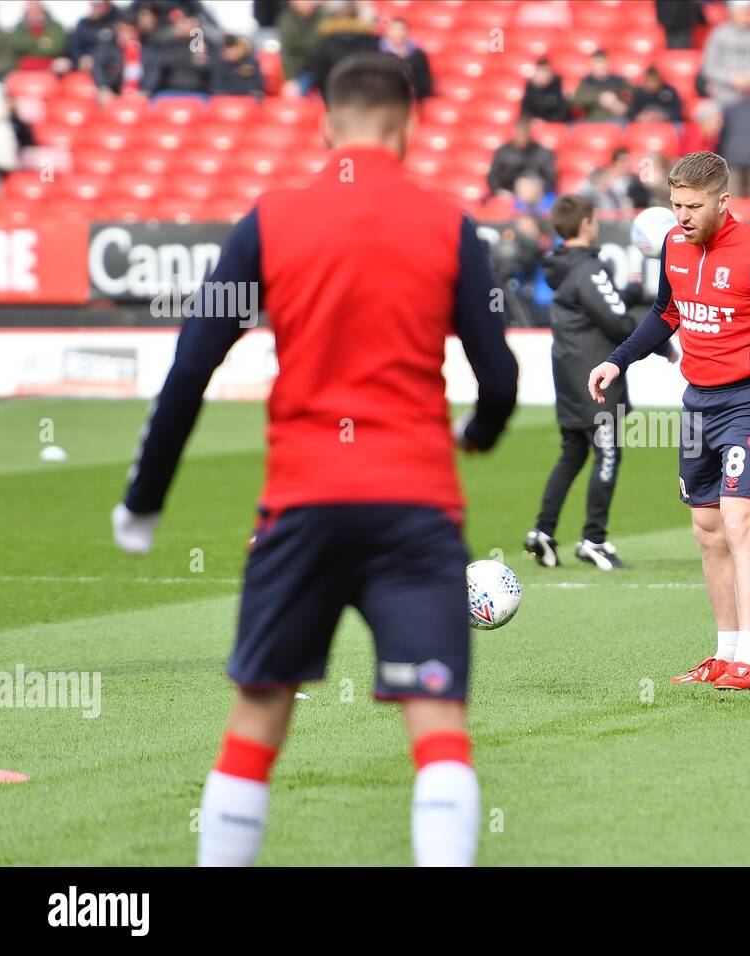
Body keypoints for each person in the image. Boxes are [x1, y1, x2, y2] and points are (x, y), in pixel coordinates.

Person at [109, 53, 519, 867]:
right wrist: (479, 432)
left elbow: (192, 368)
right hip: (415, 505)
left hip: (302, 501)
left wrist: (145, 500)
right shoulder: (450, 225)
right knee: (436, 724)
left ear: (325, 124)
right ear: (408, 124)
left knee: (258, 718)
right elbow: (499, 372)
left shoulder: (269, 220)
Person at [587, 151, 750, 691]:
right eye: (675, 206)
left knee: (740, 523)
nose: (683, 217)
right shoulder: (674, 245)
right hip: (697, 404)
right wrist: (617, 359)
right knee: (707, 530)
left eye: (694, 206)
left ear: (723, 200)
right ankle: (722, 654)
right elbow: (666, 313)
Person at [526, 195, 679, 569]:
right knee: (607, 453)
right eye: (593, 221)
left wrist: (628, 292)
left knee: (572, 454)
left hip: (567, 375)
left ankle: (542, 532)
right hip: (595, 379)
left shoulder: (563, 267)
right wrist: (661, 344)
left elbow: (594, 305)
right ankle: (593, 539)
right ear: (585, 225)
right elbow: (617, 322)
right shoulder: (590, 269)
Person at [699, 0, 750, 107]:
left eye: (746, 10)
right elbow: (708, 67)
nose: (744, 14)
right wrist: (729, 77)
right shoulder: (718, 34)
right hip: (724, 95)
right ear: (731, 12)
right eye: (740, 10)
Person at [487, 119, 556, 195]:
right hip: (508, 195)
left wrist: (536, 189)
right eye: (519, 134)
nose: (522, 138)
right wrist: (499, 191)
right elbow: (493, 177)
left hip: (536, 196)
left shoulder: (543, 153)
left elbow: (550, 178)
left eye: (524, 134)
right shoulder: (503, 152)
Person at [277, 0, 323, 95]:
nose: (308, 3)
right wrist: (290, 79)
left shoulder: (323, 16)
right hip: (300, 70)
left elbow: (320, 45)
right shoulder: (286, 19)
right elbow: (287, 53)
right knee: (290, 93)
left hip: (322, 67)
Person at [381, 17, 432, 101]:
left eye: (401, 30)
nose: (398, 33)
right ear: (387, 32)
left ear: (407, 32)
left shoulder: (418, 55)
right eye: (394, 29)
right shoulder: (377, 53)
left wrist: (413, 91)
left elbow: (425, 85)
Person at [572, 49, 630, 122]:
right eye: (597, 62)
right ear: (592, 64)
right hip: (592, 121)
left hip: (614, 120)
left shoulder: (618, 81)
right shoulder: (586, 82)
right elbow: (576, 100)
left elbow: (629, 99)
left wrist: (621, 106)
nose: (601, 65)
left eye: (603, 62)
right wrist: (600, 97)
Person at [521, 57, 570, 122]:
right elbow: (525, 111)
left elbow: (562, 111)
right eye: (543, 71)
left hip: (557, 125)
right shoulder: (526, 88)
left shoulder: (559, 84)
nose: (547, 74)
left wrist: (546, 121)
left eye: (549, 71)